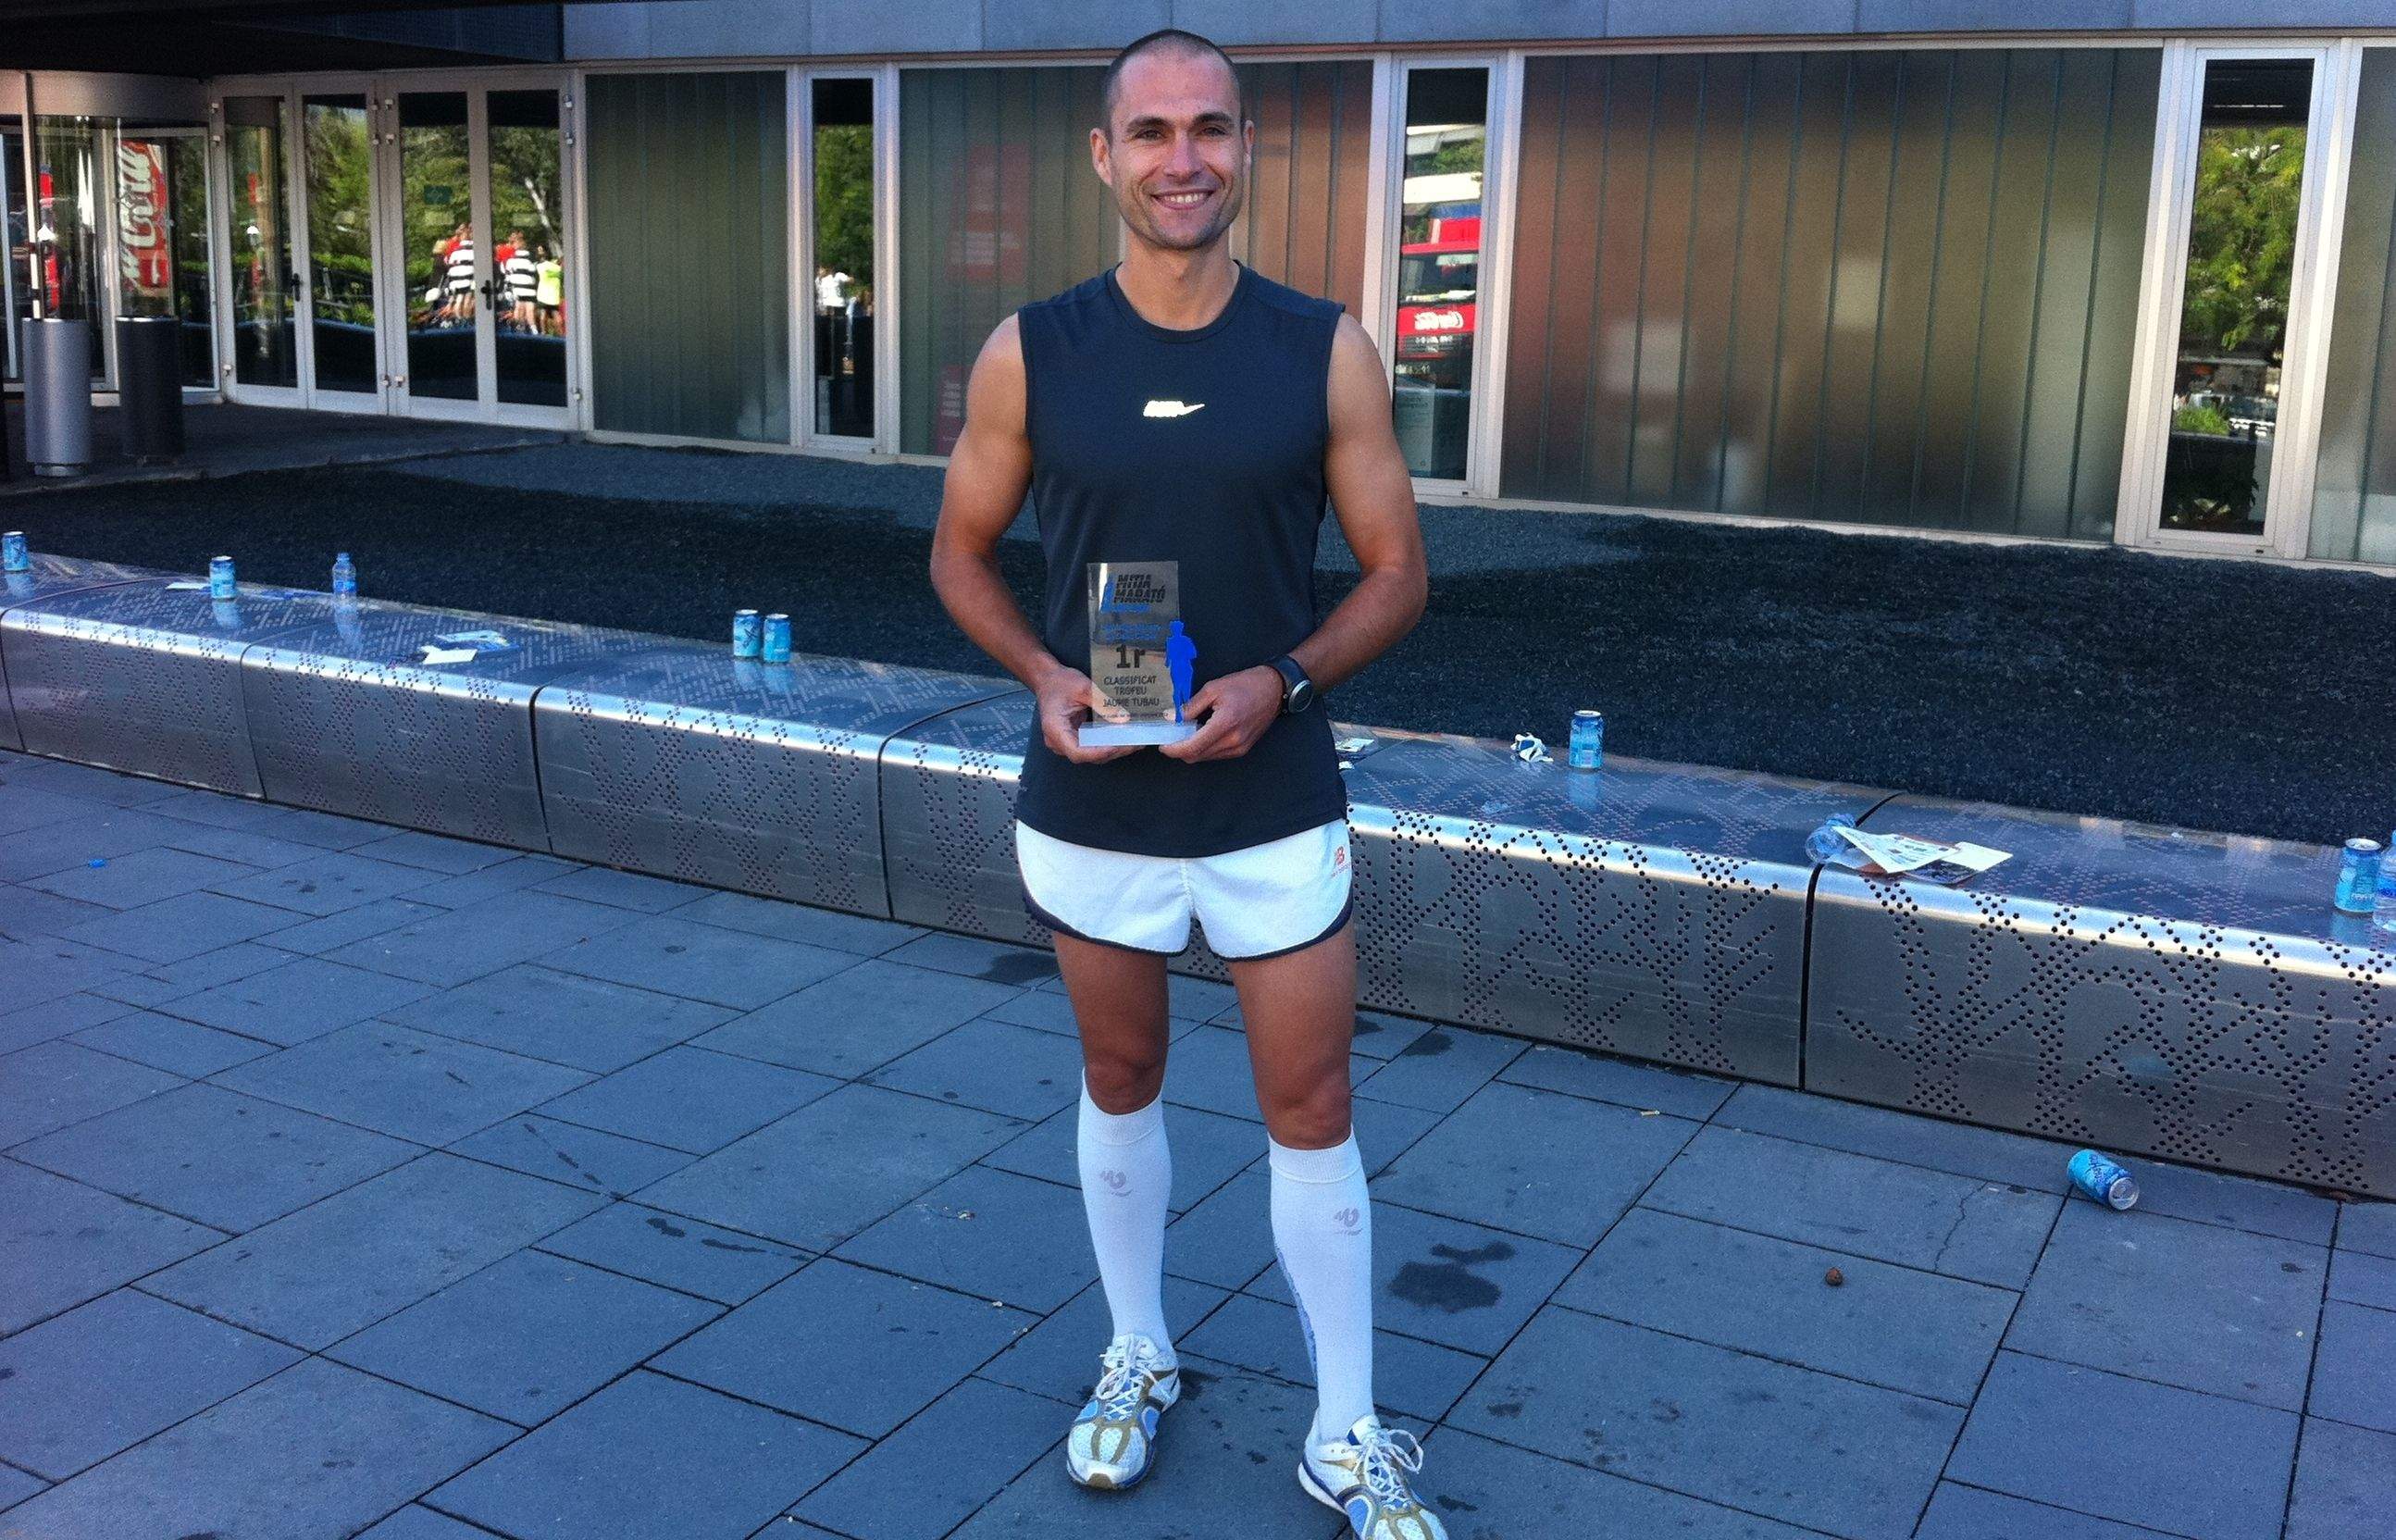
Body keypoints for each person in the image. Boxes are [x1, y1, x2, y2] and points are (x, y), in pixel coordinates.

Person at [928, 27, 1438, 1537]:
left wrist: (1282, 677)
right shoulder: (1032, 350)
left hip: (1270, 793)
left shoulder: (1321, 346)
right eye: (1149, 132)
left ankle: (1344, 1430)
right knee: (1121, 1078)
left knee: (1313, 1098)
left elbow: (1400, 573)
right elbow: (957, 552)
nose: (1181, 157)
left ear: (1246, 146)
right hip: (1096, 792)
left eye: (1208, 127)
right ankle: (1137, 1350)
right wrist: (1039, 676)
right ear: (1105, 157)